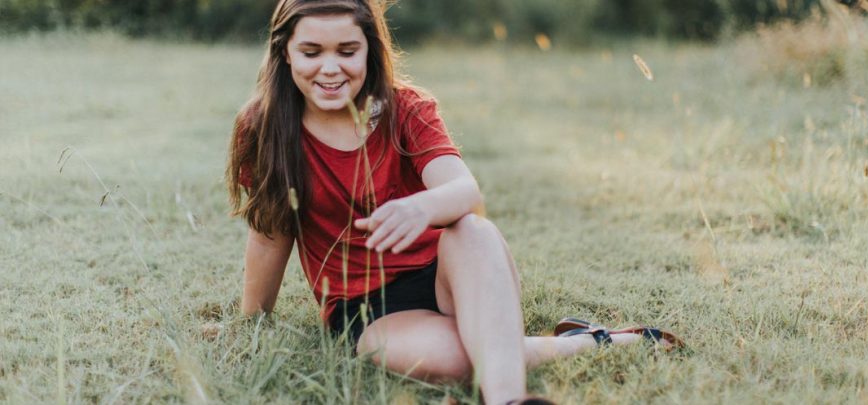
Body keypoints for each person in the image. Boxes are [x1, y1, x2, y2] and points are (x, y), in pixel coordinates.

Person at [225, 1, 683, 404]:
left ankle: (509, 400)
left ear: (370, 49)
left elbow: (467, 192)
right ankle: (588, 342)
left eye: (347, 51)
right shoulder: (263, 128)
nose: (330, 68)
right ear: (284, 52)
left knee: (472, 227)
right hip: (367, 309)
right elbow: (269, 236)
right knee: (463, 358)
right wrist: (252, 322)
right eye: (311, 52)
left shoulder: (407, 108)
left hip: (452, 275)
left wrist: (421, 208)